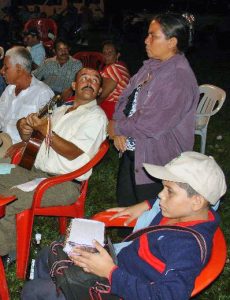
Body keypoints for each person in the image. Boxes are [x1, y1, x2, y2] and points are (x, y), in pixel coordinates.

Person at [21, 151, 226, 300]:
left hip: (123, 288)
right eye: (163, 187)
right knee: (49, 252)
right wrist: (144, 205)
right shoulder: (187, 209)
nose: (160, 195)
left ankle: (55, 287)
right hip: (119, 264)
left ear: (197, 201)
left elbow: (167, 295)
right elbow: (165, 203)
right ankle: (59, 284)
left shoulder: (186, 246)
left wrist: (109, 271)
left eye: (169, 191)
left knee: (35, 291)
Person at [0, 67, 107, 263]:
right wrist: (23, 128)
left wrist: (45, 129)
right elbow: (33, 139)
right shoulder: (61, 110)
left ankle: (6, 252)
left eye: (95, 80)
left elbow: (73, 152)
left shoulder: (96, 116)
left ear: (99, 90)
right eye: (84, 78)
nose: (89, 82)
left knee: (12, 198)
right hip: (35, 171)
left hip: (64, 183)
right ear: (74, 86)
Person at [107, 13, 200, 208]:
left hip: (157, 163)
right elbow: (124, 98)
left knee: (149, 222)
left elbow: (149, 124)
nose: (146, 40)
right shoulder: (151, 67)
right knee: (126, 212)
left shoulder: (177, 79)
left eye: (153, 36)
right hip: (133, 151)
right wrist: (117, 128)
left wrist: (116, 128)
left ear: (172, 42)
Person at [0, 46, 54, 146]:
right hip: (2, 140)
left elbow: (47, 131)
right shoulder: (9, 89)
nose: (2, 71)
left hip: (20, 148)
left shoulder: (43, 93)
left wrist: (23, 146)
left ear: (19, 69)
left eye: (6, 67)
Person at [97, 40, 131, 120]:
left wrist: (89, 107)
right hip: (121, 108)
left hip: (111, 108)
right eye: (104, 53)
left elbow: (103, 95)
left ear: (117, 55)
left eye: (110, 53)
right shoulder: (121, 66)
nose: (106, 55)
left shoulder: (114, 68)